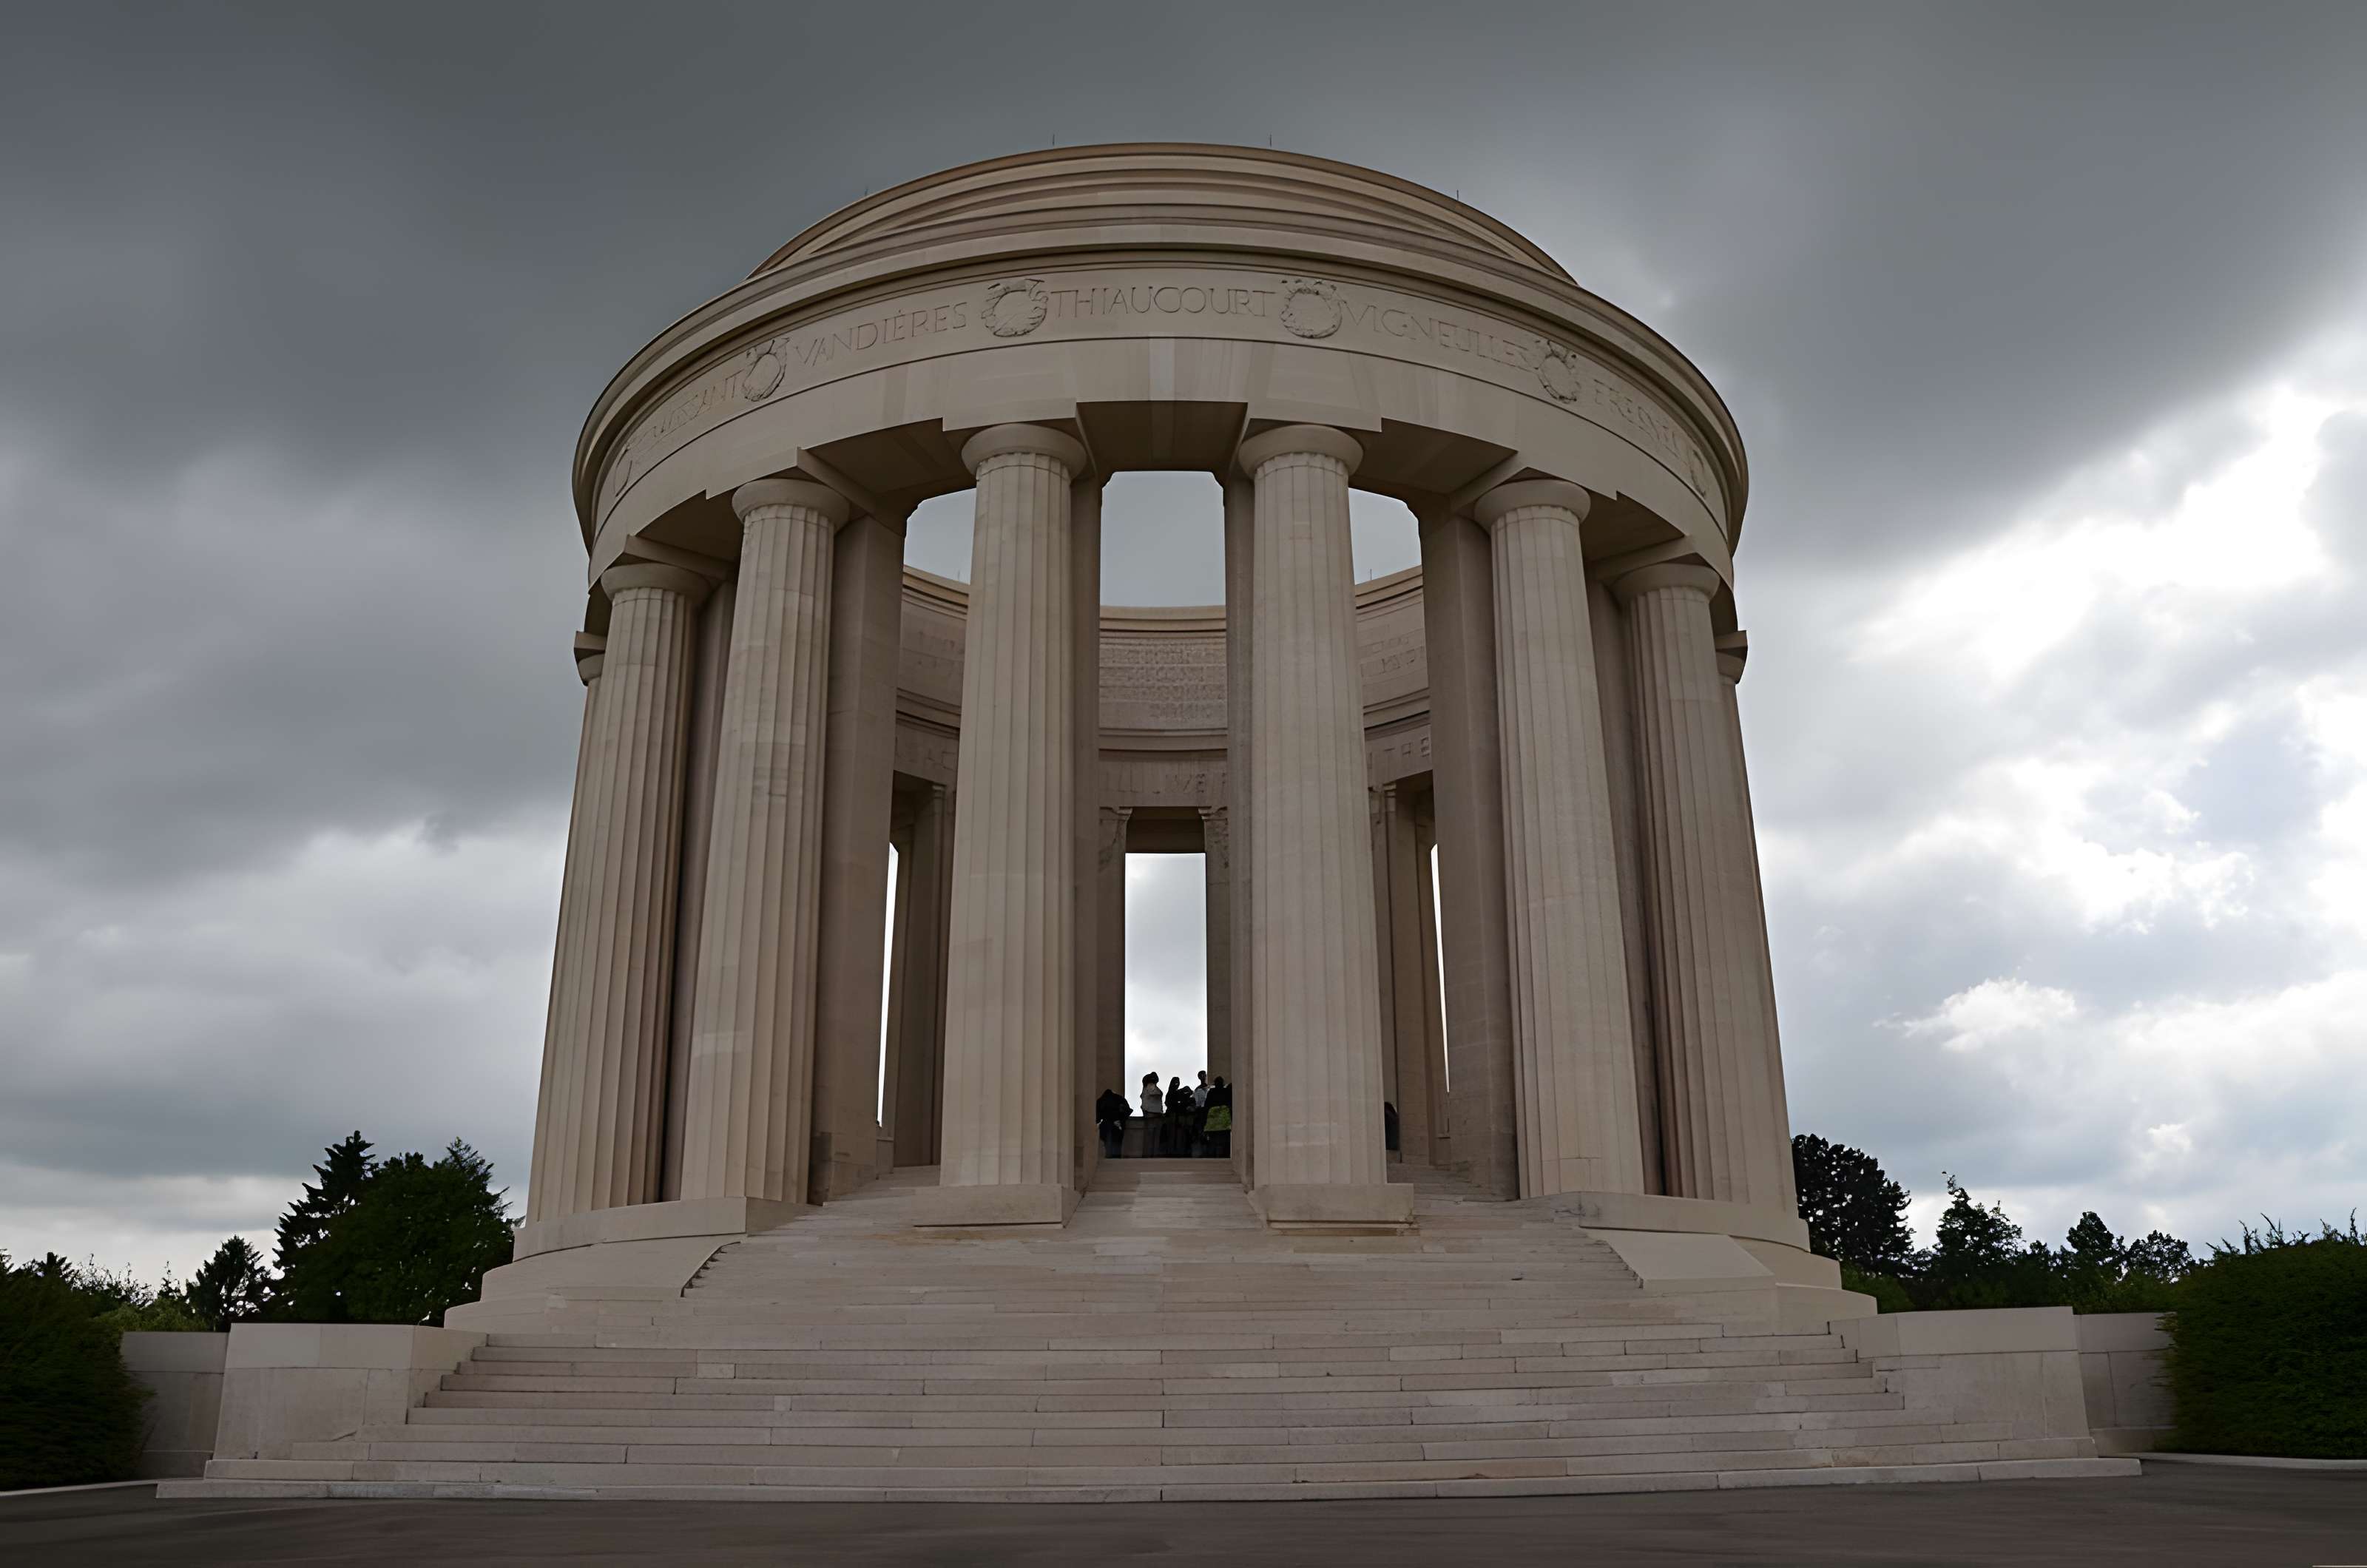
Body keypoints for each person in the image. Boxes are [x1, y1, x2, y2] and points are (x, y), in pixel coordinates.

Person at [1095, 1087, 1129, 1160]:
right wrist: (1120, 1120)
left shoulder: (1101, 1100)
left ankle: (1109, 1157)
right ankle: (1116, 1158)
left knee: (1108, 1144)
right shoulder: (1120, 1099)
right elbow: (1126, 1111)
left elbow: (1098, 1115)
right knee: (1117, 1144)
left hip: (1106, 1124)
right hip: (1118, 1124)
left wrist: (1098, 1122)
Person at [1204, 1077, 1232, 1159]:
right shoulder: (1226, 1092)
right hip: (1224, 1120)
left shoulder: (1211, 1092)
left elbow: (1207, 1106)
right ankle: (1224, 1155)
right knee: (1225, 1140)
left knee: (1214, 1140)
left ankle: (1213, 1155)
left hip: (1214, 1121)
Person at [1139, 1072, 1163, 1159]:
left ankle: (1151, 1155)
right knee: (1151, 1139)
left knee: (1153, 1138)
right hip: (1152, 1115)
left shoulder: (1148, 1088)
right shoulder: (1150, 1087)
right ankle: (1150, 1155)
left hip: (1153, 1115)